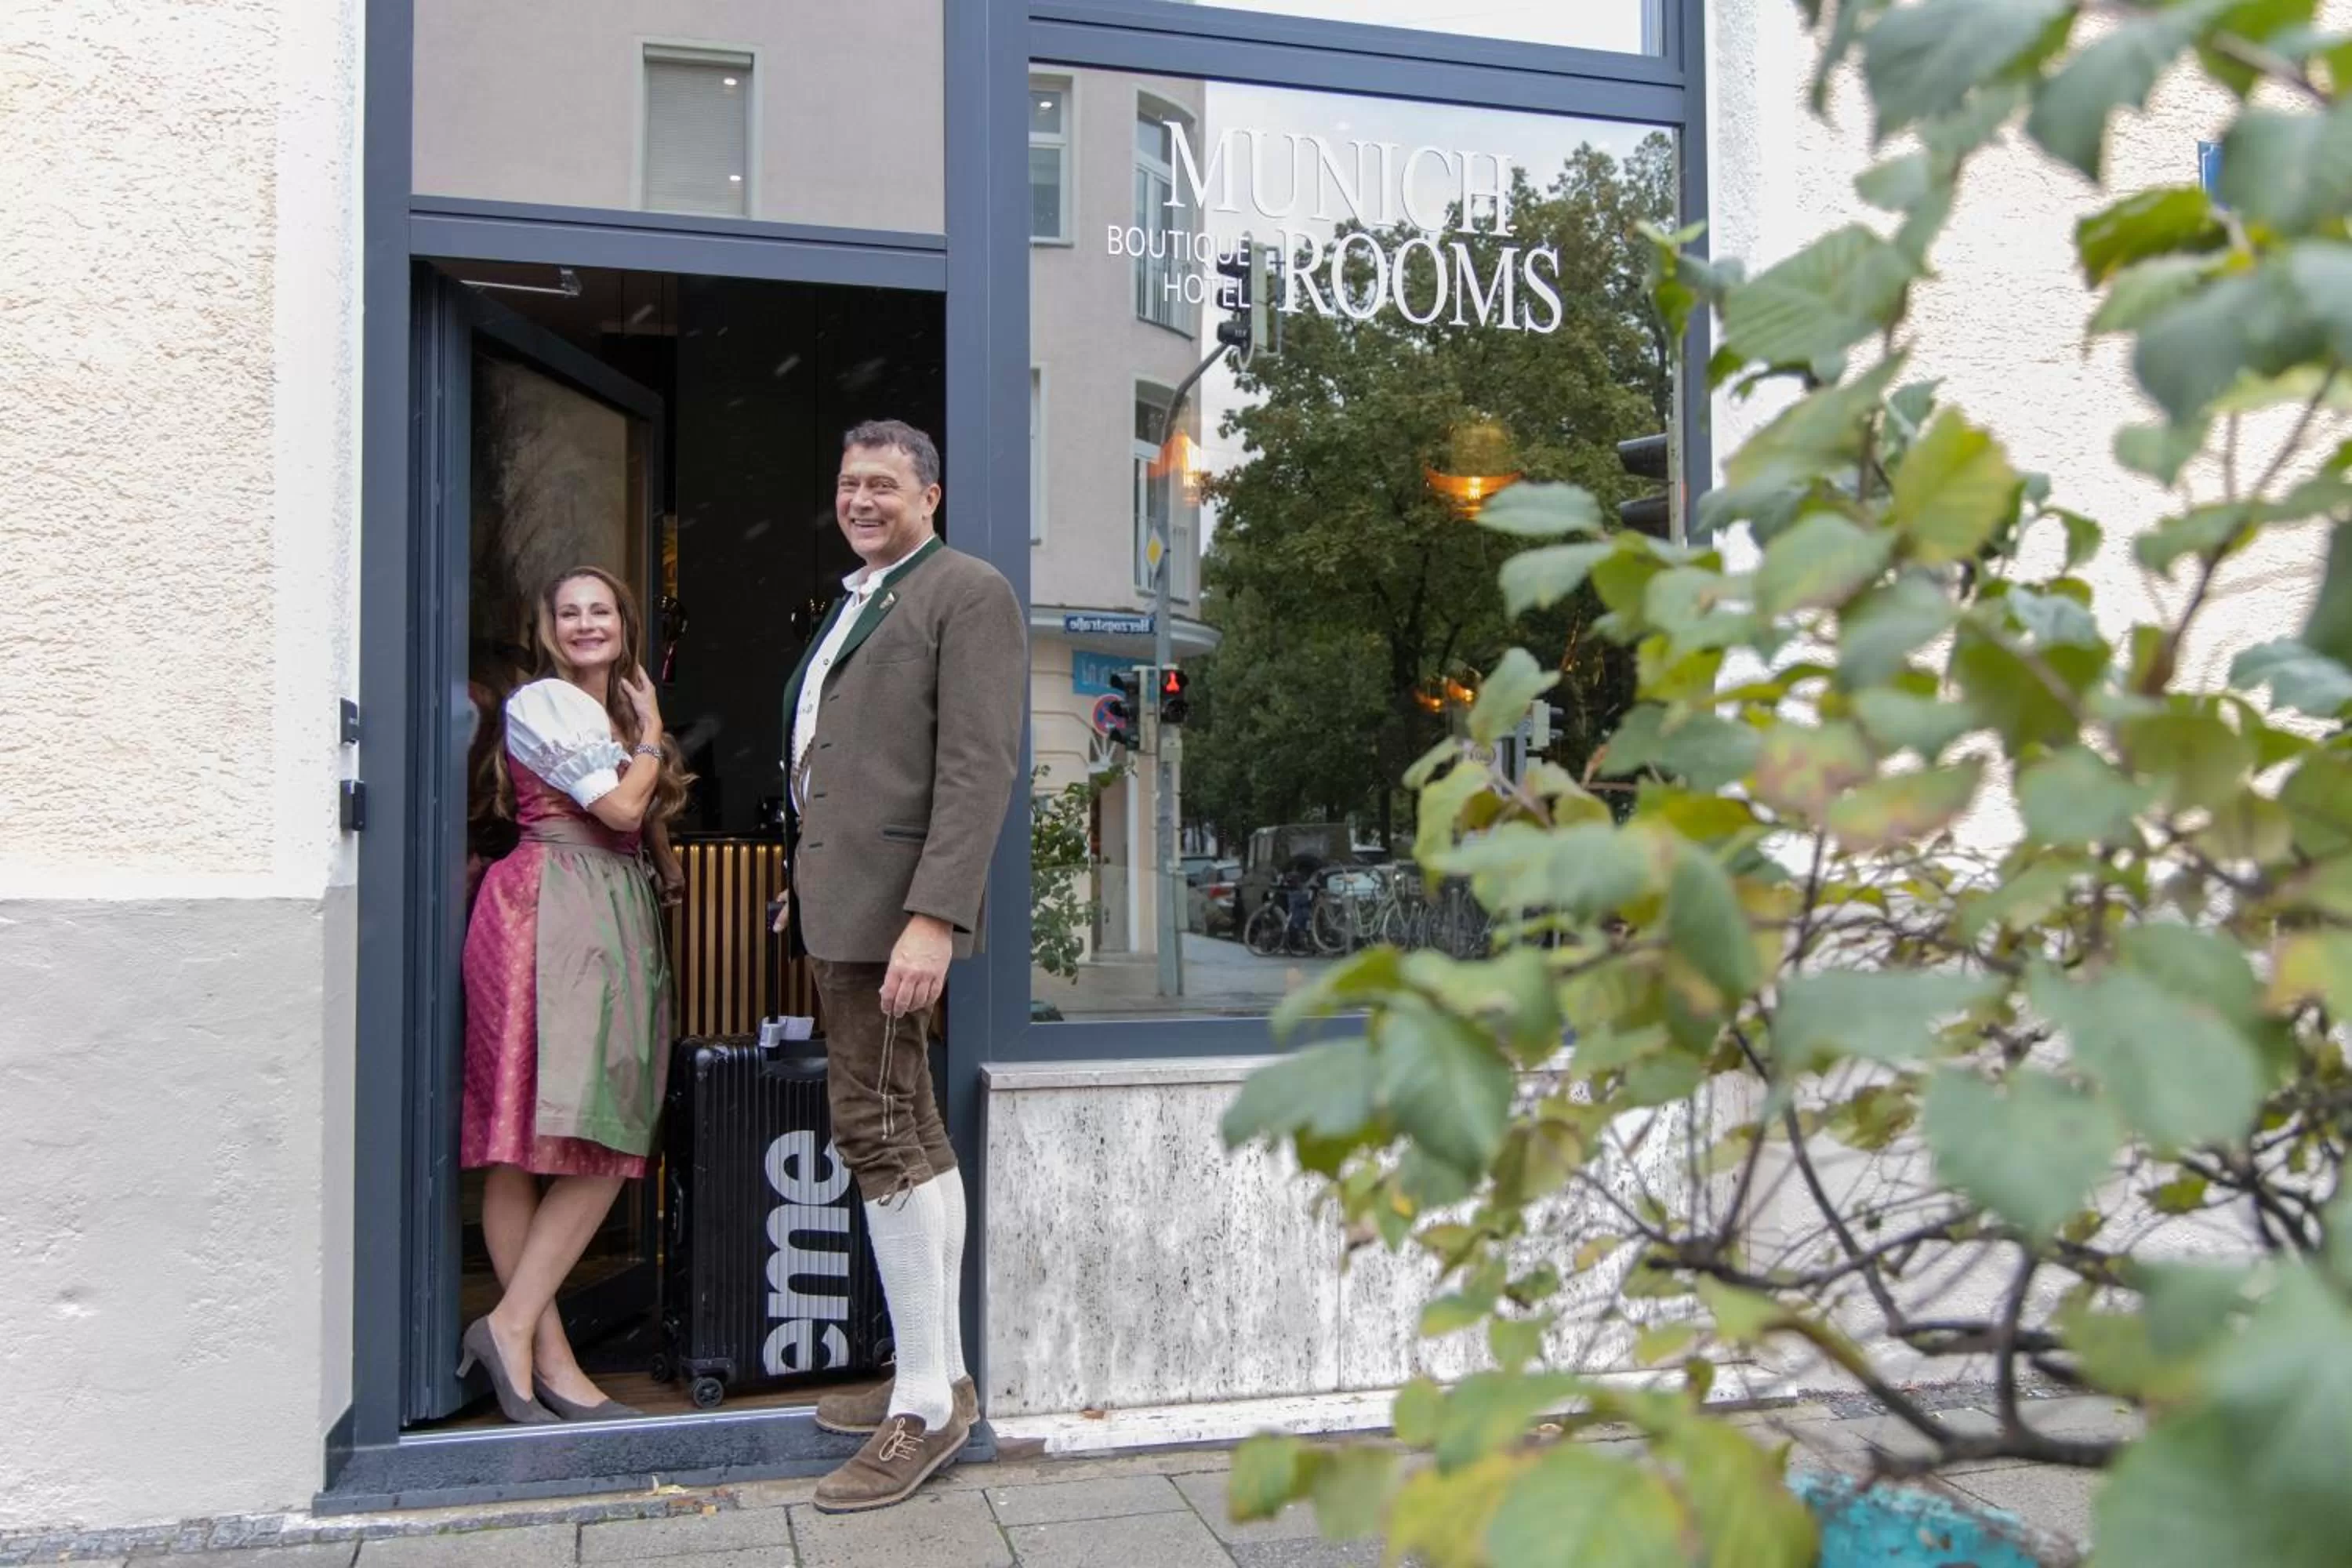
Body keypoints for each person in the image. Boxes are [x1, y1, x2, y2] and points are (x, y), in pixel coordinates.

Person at [774, 419, 1024, 1512]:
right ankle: (941, 1373)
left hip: (895, 919)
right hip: (847, 906)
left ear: (932, 492)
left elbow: (977, 771)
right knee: (907, 1126)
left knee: (878, 1131)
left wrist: (933, 917)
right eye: (848, 481)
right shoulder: (864, 595)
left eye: (883, 482)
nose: (861, 498)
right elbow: (840, 762)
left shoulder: (964, 592)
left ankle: (922, 1408)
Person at [457, 566, 689, 1425]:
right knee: (565, 1134)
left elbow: (640, 827)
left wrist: (666, 873)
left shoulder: (609, 713)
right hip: (547, 908)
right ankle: (525, 1331)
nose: (586, 624)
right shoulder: (547, 702)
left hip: (599, 905)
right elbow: (623, 807)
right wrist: (657, 736)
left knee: (581, 1125)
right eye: (570, 613)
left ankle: (533, 1346)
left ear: (622, 623)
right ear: (550, 628)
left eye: (600, 610)